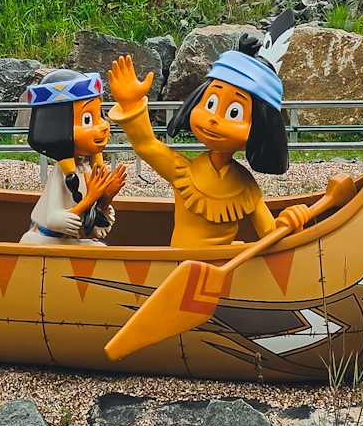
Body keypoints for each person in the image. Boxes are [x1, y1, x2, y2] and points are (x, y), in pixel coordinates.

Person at [107, 16, 311, 251]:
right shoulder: (183, 172)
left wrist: (290, 223)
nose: (214, 118)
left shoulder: (245, 187)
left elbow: (269, 234)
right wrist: (132, 104)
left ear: (262, 128)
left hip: (221, 270)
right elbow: (147, 145)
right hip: (180, 267)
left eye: (234, 112)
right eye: (210, 103)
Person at [20, 70, 126, 245]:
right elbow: (55, 220)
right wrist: (91, 198)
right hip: (42, 242)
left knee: (99, 246)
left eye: (100, 115)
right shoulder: (61, 173)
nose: (104, 125)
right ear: (58, 127)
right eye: (87, 119)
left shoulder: (81, 169)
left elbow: (92, 229)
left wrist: (106, 198)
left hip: (65, 242)